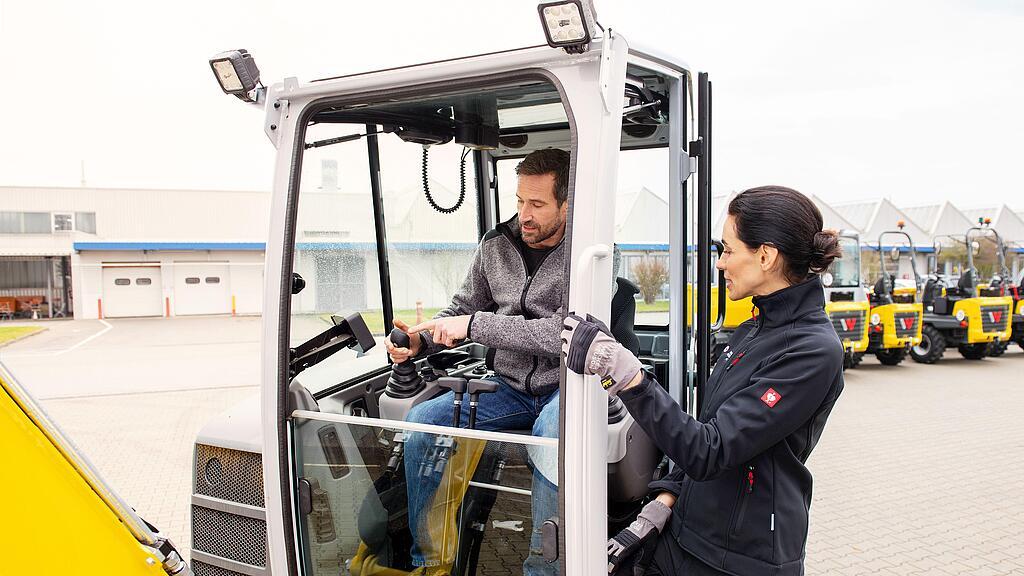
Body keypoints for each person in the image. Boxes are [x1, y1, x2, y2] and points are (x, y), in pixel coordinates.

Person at [562, 186, 845, 576]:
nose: (720, 264)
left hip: (741, 558)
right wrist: (662, 502)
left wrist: (625, 375)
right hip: (685, 533)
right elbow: (706, 428)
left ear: (766, 256)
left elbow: (709, 450)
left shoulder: (812, 352)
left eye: (727, 250)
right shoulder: (751, 331)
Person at [386, 148, 570, 576]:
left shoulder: (590, 252)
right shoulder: (495, 246)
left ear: (567, 203)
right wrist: (421, 342)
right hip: (507, 387)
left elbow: (562, 334)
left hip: (566, 387)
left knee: (551, 435)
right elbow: (461, 310)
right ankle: (429, 562)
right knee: (421, 423)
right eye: (520, 200)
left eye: (538, 205)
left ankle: (544, 569)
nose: (524, 214)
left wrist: (476, 326)